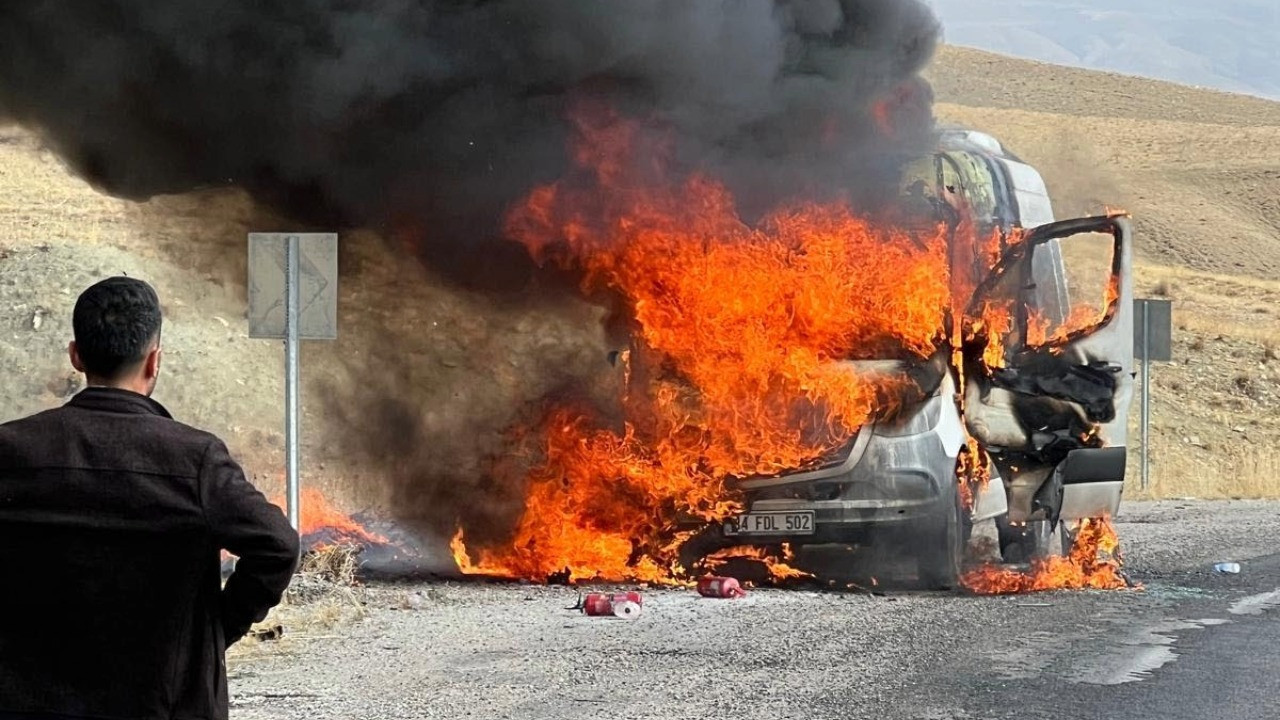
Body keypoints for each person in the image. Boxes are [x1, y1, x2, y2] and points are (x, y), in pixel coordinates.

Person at [0, 276, 300, 720]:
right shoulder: (194, 458)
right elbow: (278, 545)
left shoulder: (11, 450)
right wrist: (220, 627)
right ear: (155, 360)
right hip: (165, 703)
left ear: (76, 355)